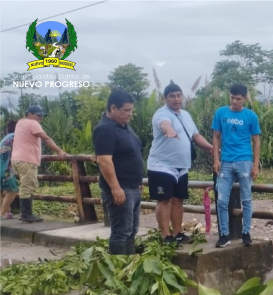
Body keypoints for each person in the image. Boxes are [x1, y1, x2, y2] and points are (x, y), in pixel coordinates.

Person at [148, 83, 213, 246]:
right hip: (162, 165)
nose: (176, 99)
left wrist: (211, 148)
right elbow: (165, 124)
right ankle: (165, 236)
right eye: (172, 96)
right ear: (165, 98)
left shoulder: (185, 115)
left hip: (182, 167)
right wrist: (168, 131)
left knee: (178, 200)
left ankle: (177, 233)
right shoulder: (161, 114)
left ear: (182, 96)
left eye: (179, 95)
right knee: (164, 200)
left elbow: (195, 136)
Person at [93, 89, 144, 255]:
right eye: (126, 110)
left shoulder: (124, 127)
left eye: (131, 110)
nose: (130, 114)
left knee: (132, 230)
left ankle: (129, 265)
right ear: (113, 108)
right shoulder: (105, 129)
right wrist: (115, 187)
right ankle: (117, 270)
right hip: (120, 188)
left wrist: (137, 181)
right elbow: (104, 160)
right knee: (121, 231)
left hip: (132, 186)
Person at [212, 84, 261, 248]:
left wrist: (255, 165)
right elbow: (216, 137)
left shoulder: (250, 116)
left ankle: (246, 232)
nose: (234, 101)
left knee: (246, 199)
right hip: (225, 161)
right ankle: (224, 234)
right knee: (221, 200)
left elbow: (256, 141)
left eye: (238, 99)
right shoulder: (221, 113)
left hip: (244, 160)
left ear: (245, 99)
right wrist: (216, 160)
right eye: (232, 98)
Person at [11, 105, 67, 223]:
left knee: (27, 185)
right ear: (30, 114)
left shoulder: (20, 122)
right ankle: (26, 215)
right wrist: (59, 151)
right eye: (38, 115)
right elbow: (46, 139)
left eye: (42, 115)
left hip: (17, 159)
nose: (40, 118)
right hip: (26, 159)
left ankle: (26, 214)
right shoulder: (33, 123)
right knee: (27, 186)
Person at [0, 120, 19, 219]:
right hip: (6, 167)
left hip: (1, 165)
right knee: (13, 190)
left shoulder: (5, 138)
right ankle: (2, 214)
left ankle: (6, 213)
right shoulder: (15, 137)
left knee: (1, 190)